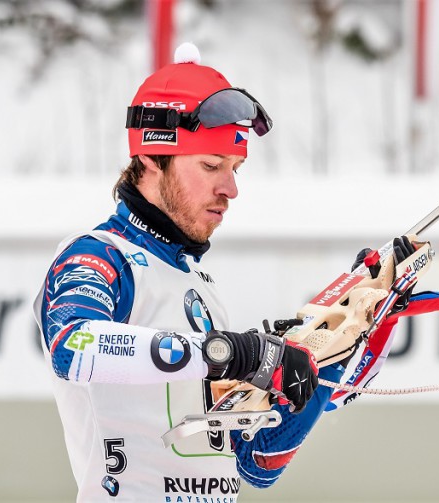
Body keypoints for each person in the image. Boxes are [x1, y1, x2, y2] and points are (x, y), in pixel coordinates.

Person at [33, 42, 344, 502]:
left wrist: (326, 375)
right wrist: (232, 352)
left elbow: (251, 463)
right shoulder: (100, 255)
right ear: (151, 159)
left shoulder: (200, 286)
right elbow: (74, 345)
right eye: (212, 165)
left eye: (236, 168)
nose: (231, 188)